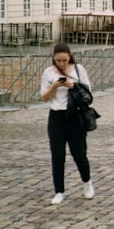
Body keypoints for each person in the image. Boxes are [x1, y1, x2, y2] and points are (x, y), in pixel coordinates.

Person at [40, 43, 94, 205]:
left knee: (79, 154)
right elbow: (44, 97)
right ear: (53, 58)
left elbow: (88, 92)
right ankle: (59, 191)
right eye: (58, 60)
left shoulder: (78, 69)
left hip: (75, 116)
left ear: (70, 56)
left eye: (64, 60)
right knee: (57, 156)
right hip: (56, 116)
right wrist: (55, 86)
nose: (61, 63)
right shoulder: (48, 72)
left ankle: (87, 183)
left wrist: (73, 86)